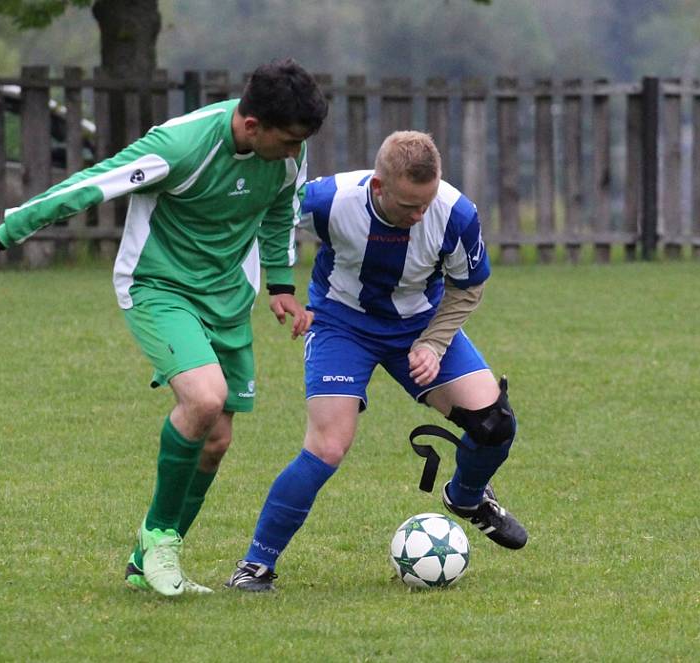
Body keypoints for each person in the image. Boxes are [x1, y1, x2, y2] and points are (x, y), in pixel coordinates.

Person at [0, 58, 328, 598]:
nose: (295, 152)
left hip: (227, 298)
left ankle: (142, 562)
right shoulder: (180, 146)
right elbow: (90, 186)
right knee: (204, 399)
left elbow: (279, 206)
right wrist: (1, 235)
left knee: (216, 440)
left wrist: (282, 283)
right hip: (159, 286)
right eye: (287, 141)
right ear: (250, 126)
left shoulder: (288, 148)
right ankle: (162, 540)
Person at [225, 130, 528, 592]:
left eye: (426, 202)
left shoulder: (456, 214)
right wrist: (281, 286)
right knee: (327, 445)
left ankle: (466, 498)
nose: (420, 214)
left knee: (495, 425)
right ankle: (256, 566)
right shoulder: (330, 200)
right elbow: (270, 213)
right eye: (409, 206)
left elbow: (469, 287)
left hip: (419, 327)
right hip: (341, 325)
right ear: (379, 187)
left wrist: (433, 343)